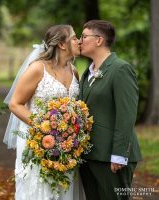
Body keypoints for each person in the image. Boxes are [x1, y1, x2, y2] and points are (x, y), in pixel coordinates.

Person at [3, 25, 85, 200]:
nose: (79, 41)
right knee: (40, 189)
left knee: (63, 187)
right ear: (62, 45)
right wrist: (44, 129)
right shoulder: (37, 69)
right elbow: (15, 104)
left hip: (65, 144)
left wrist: (68, 133)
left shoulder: (74, 71)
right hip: (37, 140)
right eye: (74, 38)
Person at [78, 20, 142, 200]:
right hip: (89, 155)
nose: (79, 41)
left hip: (111, 158)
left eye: (83, 36)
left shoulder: (121, 69)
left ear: (99, 40)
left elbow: (126, 115)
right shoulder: (87, 73)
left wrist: (119, 154)